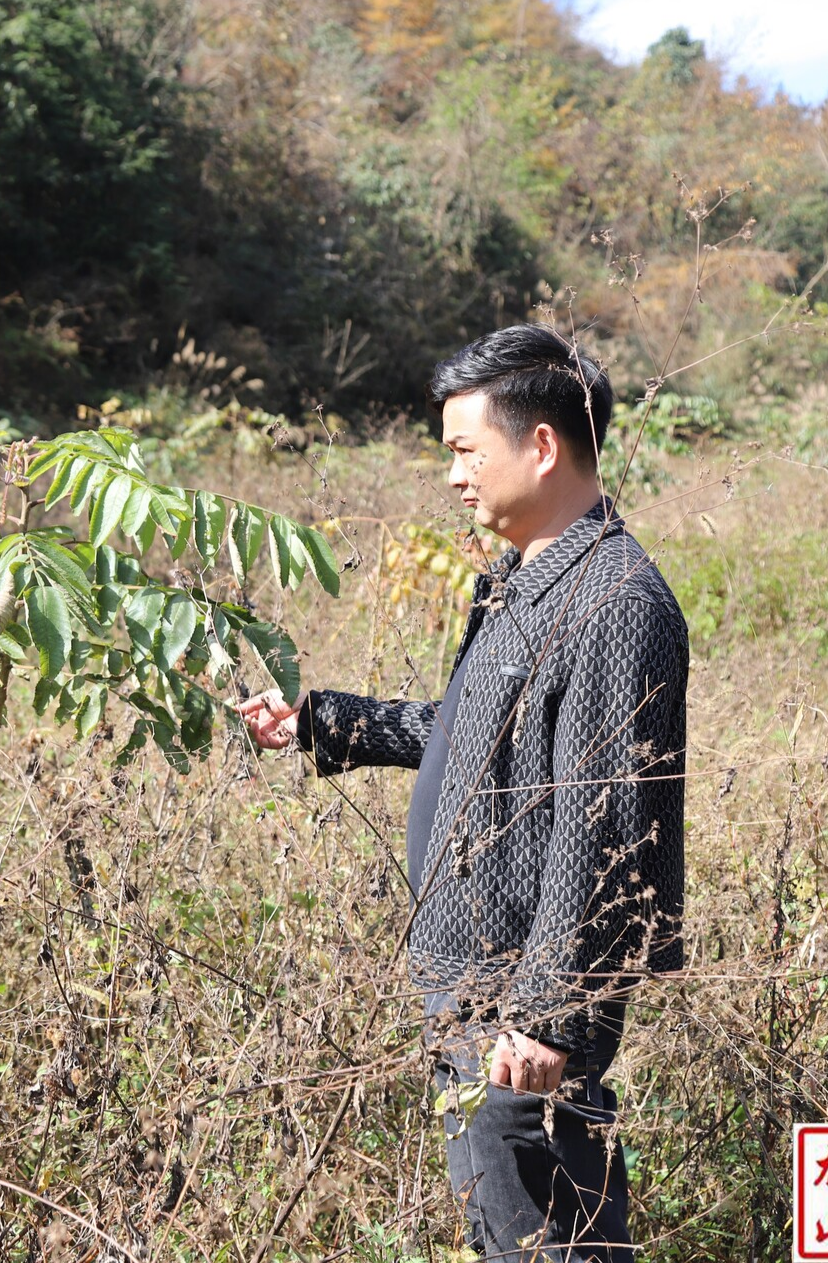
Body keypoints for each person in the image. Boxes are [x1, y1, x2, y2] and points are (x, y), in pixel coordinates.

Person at [240, 324, 686, 1260]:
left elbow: (602, 825)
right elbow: (473, 736)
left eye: (463, 450)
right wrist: (324, 722)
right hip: (475, 994)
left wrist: (551, 1015)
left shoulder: (614, 602)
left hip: (517, 1012)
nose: (453, 476)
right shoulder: (528, 582)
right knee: (513, 1233)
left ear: (542, 444)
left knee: (550, 1242)